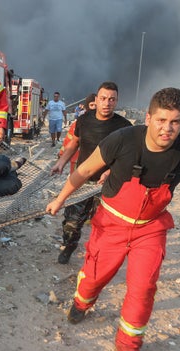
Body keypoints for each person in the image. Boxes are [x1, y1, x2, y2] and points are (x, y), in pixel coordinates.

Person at [45, 87, 180, 351]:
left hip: (150, 228)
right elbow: (83, 170)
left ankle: (129, 346)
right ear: (148, 117)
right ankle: (82, 303)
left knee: (143, 287)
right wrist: (60, 199)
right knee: (94, 277)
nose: (167, 129)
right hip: (112, 222)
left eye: (175, 122)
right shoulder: (122, 140)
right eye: (161, 120)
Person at [50, 83, 131, 264]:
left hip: (107, 185)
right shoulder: (84, 120)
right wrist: (61, 162)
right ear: (96, 100)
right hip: (82, 180)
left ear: (117, 102)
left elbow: (126, 158)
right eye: (103, 98)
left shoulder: (124, 127)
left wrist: (110, 171)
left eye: (112, 99)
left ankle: (97, 257)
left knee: (103, 225)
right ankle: (69, 246)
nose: (107, 103)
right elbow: (74, 143)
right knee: (71, 222)